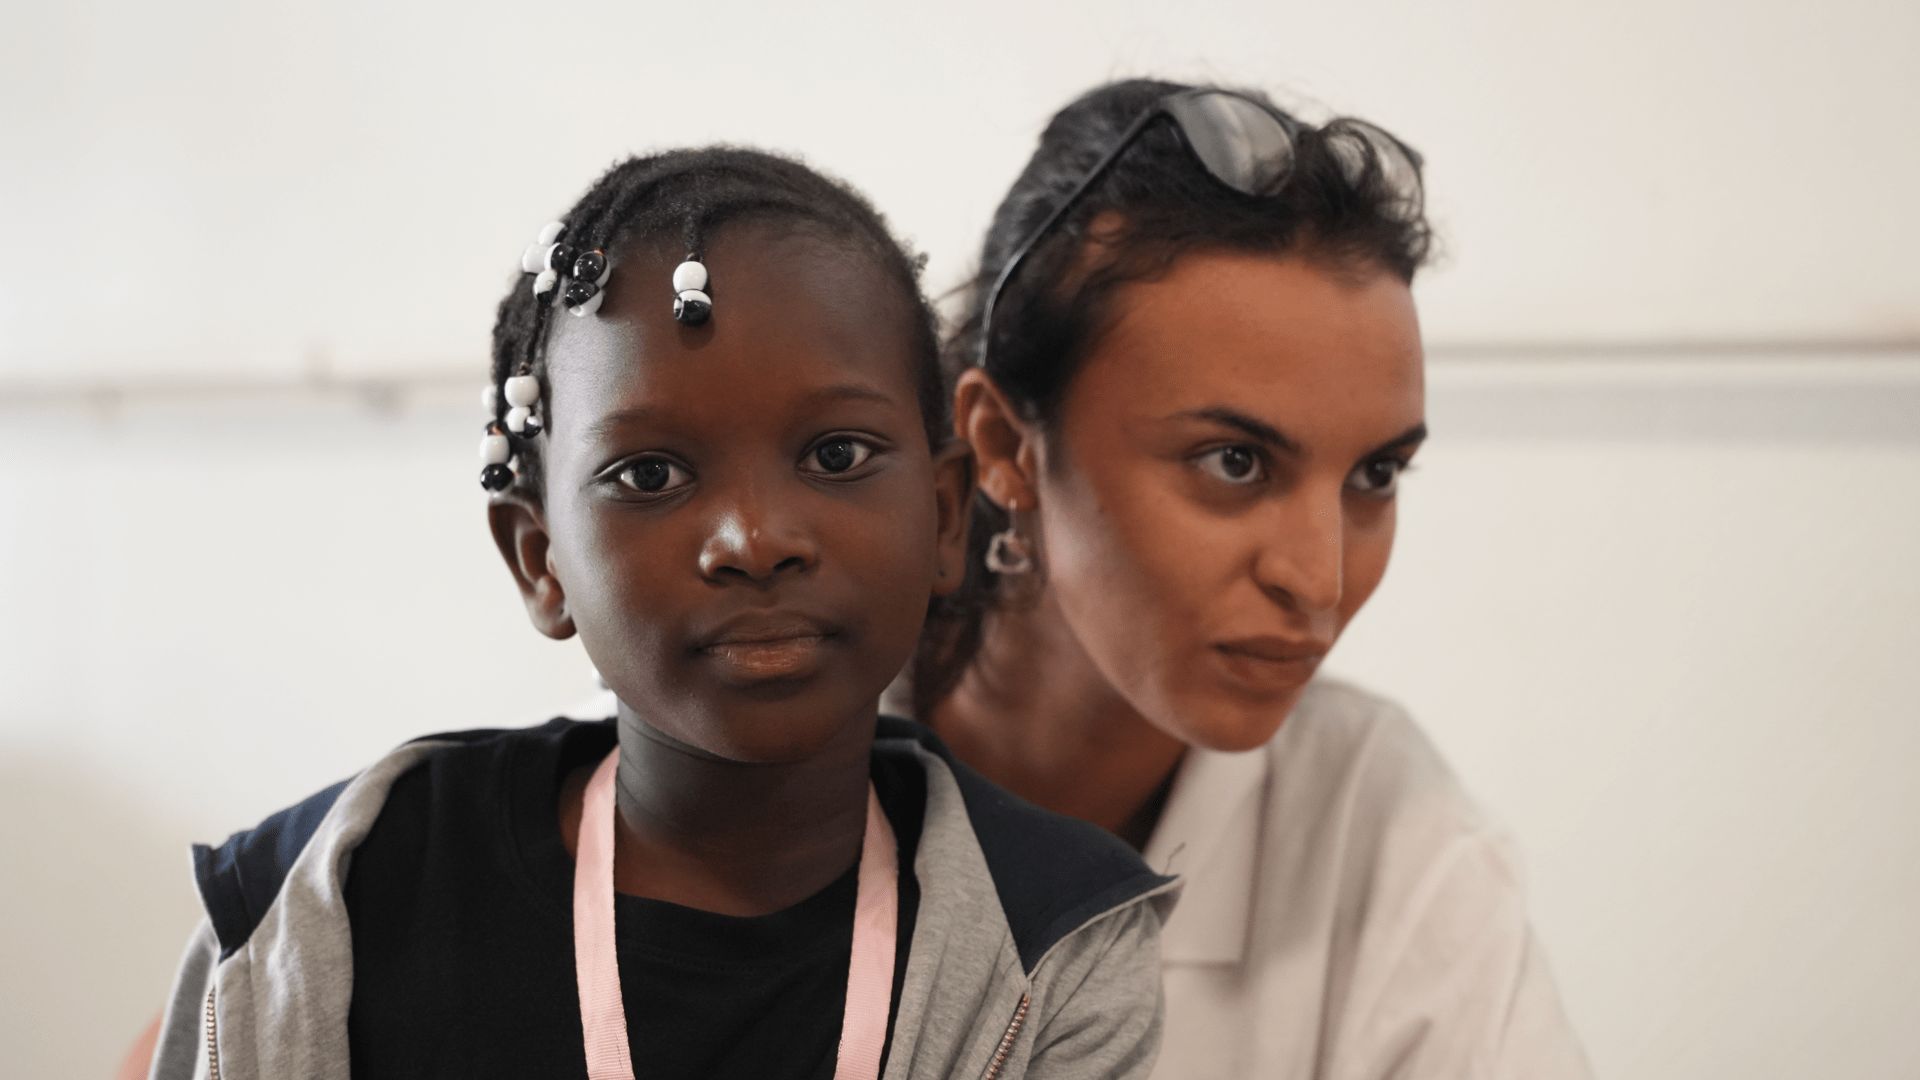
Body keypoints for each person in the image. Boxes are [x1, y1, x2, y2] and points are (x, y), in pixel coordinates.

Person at [141, 147, 1174, 1080]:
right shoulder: (342, 901)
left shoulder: (1057, 938)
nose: (755, 538)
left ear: (947, 515)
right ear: (540, 561)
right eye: (650, 473)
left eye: (837, 455)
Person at [908, 79, 1593, 1079]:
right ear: (1006, 444)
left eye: (1375, 474)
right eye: (1235, 462)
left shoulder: (1383, 835)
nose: (1318, 580)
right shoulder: (729, 773)